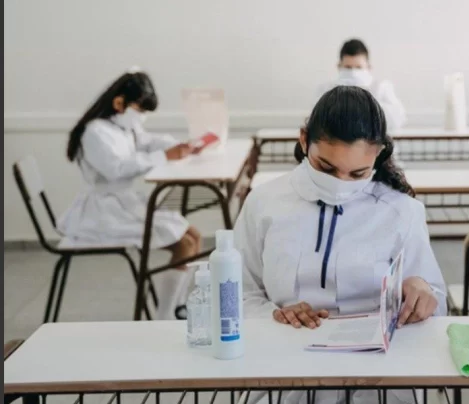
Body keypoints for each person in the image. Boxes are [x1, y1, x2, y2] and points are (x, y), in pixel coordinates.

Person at [234, 86, 445, 404]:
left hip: (379, 375)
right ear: (304, 140)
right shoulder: (264, 203)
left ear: (379, 154)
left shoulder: (401, 211)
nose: (340, 185)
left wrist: (421, 292)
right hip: (284, 361)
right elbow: (237, 291)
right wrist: (273, 316)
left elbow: (435, 304)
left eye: (358, 173)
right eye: (326, 168)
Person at [58, 68, 202, 320]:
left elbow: (147, 141)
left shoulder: (121, 128)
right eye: (141, 110)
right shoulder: (95, 132)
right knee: (184, 244)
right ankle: (165, 316)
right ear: (119, 102)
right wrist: (164, 156)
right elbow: (116, 169)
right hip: (102, 211)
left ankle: (179, 304)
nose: (142, 118)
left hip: (122, 203)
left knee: (194, 236)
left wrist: (178, 145)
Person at [316, 38, 407, 130]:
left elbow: (397, 120)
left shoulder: (382, 87)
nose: (353, 72)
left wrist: (366, 99)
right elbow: (318, 123)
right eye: (348, 67)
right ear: (339, 67)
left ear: (368, 67)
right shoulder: (325, 89)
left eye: (359, 67)